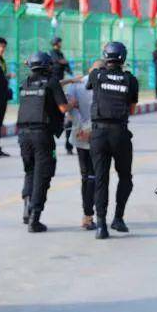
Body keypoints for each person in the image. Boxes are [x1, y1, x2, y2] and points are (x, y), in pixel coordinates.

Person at [86, 42, 139, 239]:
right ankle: (118, 217)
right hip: (120, 133)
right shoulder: (130, 80)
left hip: (98, 134)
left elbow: (90, 78)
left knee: (101, 179)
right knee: (125, 177)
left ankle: (101, 225)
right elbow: (132, 110)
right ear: (123, 58)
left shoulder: (97, 75)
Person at [16, 52, 69, 233]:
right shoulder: (51, 81)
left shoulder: (24, 83)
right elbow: (62, 107)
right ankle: (34, 218)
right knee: (42, 175)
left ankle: (26, 209)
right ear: (48, 65)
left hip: (23, 134)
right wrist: (73, 103)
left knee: (29, 171)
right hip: (42, 135)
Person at [67, 62, 100, 230]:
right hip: (98, 135)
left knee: (86, 176)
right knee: (96, 177)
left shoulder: (76, 84)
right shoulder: (104, 83)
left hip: (80, 134)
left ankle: (87, 215)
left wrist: (82, 127)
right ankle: (91, 215)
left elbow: (71, 107)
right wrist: (91, 129)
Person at [48, 37, 74, 154]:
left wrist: (68, 68)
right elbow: (59, 61)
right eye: (59, 42)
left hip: (61, 84)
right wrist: (62, 62)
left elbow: (66, 65)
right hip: (55, 85)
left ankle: (69, 145)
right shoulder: (52, 54)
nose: (60, 44)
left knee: (67, 115)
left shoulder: (60, 53)